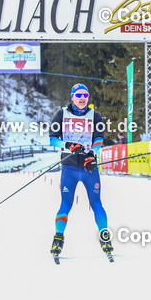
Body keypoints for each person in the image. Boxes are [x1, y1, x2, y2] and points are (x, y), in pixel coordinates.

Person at [48, 83, 113, 262]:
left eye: (85, 95)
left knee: (97, 203)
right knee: (65, 205)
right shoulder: (61, 114)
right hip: (68, 166)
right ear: (72, 97)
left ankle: (104, 235)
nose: (83, 98)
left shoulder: (95, 115)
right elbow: (53, 139)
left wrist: (92, 153)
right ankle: (58, 237)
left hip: (88, 167)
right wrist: (68, 145)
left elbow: (99, 138)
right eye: (79, 95)